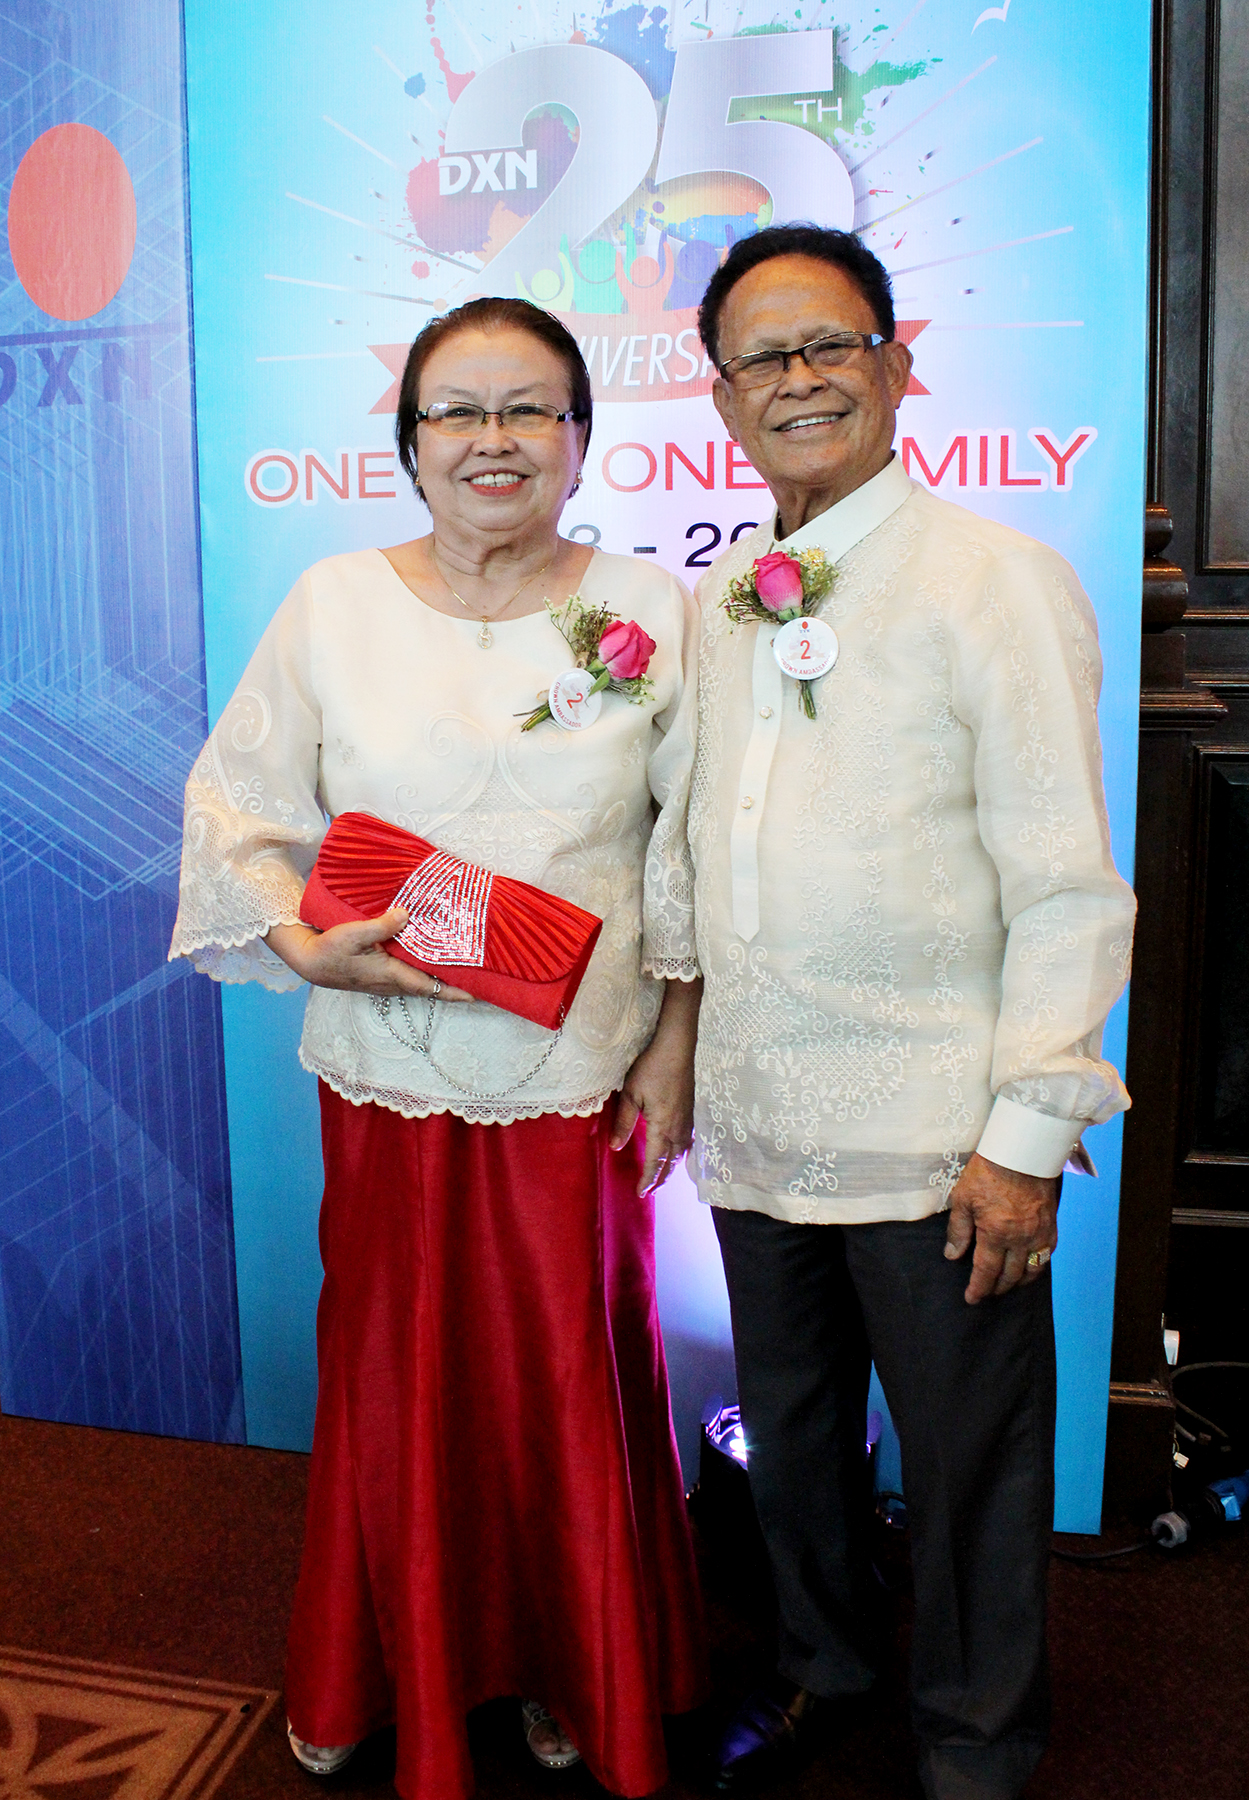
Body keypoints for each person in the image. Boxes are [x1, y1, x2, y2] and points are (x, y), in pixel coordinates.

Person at [169, 297, 707, 1800]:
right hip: (386, 1066)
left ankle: (564, 1665)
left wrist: (672, 1046)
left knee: (563, 1372)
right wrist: (296, 939)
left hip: (579, 1077)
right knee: (394, 1369)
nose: (493, 440)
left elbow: (692, 851)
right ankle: (376, 1664)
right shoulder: (333, 602)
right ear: (408, 442)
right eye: (456, 411)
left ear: (582, 437)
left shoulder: (654, 611)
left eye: (529, 408)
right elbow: (235, 809)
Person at [684, 226, 1136, 1800]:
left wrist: (1025, 1135)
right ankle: (823, 1664)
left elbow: (1066, 885)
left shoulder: (992, 579)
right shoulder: (723, 594)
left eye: (830, 344)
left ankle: (973, 1741)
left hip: (938, 1133)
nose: (798, 380)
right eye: (762, 357)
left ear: (896, 363)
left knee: (965, 1464)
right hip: (755, 1115)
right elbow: (695, 847)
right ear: (720, 396)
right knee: (793, 1437)